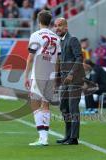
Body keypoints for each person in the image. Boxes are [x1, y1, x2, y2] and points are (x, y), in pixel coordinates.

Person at [24, 10, 61, 146]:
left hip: (39, 72)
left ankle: (42, 137)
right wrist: (56, 77)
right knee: (45, 104)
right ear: (50, 22)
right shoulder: (56, 37)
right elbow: (58, 60)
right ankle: (44, 137)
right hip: (51, 73)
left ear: (39, 21)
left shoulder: (35, 35)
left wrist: (26, 76)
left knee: (34, 103)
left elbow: (30, 57)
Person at [54, 18, 85, 145]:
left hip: (75, 78)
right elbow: (59, 62)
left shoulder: (72, 39)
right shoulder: (59, 42)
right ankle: (67, 135)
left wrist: (72, 73)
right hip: (65, 80)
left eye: (60, 25)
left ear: (66, 27)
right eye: (56, 26)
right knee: (64, 107)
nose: (57, 28)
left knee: (73, 107)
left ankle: (74, 138)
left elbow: (79, 57)